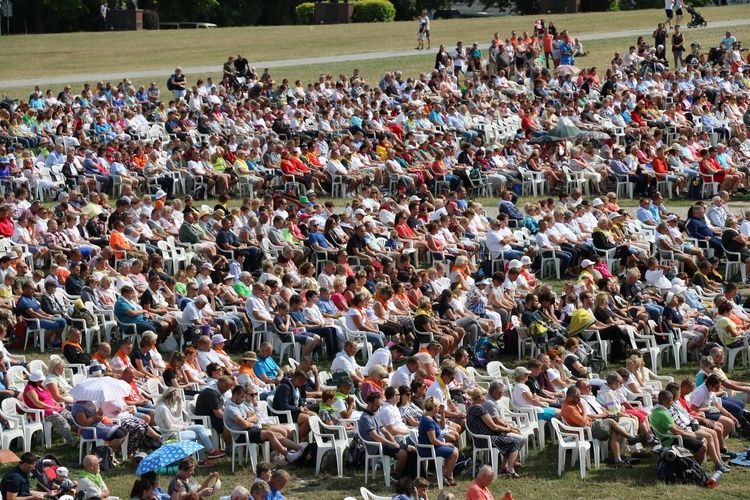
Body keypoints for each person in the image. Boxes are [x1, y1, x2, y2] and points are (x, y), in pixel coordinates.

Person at [561, 386, 646, 466]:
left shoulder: (572, 404)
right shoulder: (569, 408)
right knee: (610, 421)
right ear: (571, 397)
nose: (580, 399)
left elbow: (584, 418)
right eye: (578, 397)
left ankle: (618, 459)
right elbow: (583, 423)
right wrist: (584, 409)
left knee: (614, 431)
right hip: (586, 431)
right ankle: (630, 438)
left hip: (589, 426)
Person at [154, 388, 226, 467]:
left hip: (174, 431)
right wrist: (182, 427)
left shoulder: (163, 405)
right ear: (172, 397)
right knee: (200, 435)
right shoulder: (163, 408)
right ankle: (203, 459)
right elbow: (169, 426)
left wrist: (179, 403)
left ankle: (210, 453)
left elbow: (177, 415)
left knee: (200, 428)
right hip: (172, 435)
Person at [465, 387, 523, 478]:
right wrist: (508, 429)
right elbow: (494, 427)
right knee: (515, 441)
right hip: (486, 440)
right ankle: (510, 470)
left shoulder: (470, 409)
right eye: (485, 395)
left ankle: (504, 466)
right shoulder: (480, 410)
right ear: (480, 398)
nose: (486, 397)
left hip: (479, 440)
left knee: (508, 438)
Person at [358, 391, 416, 481]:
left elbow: (385, 431)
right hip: (376, 446)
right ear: (369, 404)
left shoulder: (374, 415)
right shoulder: (365, 418)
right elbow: (375, 437)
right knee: (403, 454)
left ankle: (409, 475)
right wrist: (392, 443)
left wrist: (393, 440)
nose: (378, 408)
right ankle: (396, 474)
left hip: (384, 443)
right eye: (377, 405)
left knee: (412, 449)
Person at [22, 369, 78, 448]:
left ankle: (83, 436)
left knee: (72, 417)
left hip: (54, 408)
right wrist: (52, 407)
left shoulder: (40, 386)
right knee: (62, 421)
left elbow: (49, 397)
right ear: (35, 380)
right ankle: (74, 443)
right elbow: (37, 403)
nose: (41, 382)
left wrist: (56, 403)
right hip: (44, 412)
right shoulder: (30, 389)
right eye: (40, 380)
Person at [418, 396, 459, 486]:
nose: (439, 407)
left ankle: (444, 475)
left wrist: (443, 413)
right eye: (437, 406)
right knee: (454, 453)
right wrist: (445, 444)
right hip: (429, 449)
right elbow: (433, 440)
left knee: (455, 450)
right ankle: (449, 477)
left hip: (436, 446)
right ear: (433, 407)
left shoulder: (432, 417)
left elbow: (443, 426)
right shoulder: (428, 421)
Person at [271, 370, 316, 441]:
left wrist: (304, 406)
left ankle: (302, 437)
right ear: (298, 380)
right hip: (284, 414)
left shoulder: (296, 387)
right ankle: (297, 441)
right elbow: (284, 406)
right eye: (303, 382)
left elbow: (300, 399)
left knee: (314, 416)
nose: (304, 384)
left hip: (294, 411)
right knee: (307, 418)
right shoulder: (285, 388)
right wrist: (299, 409)